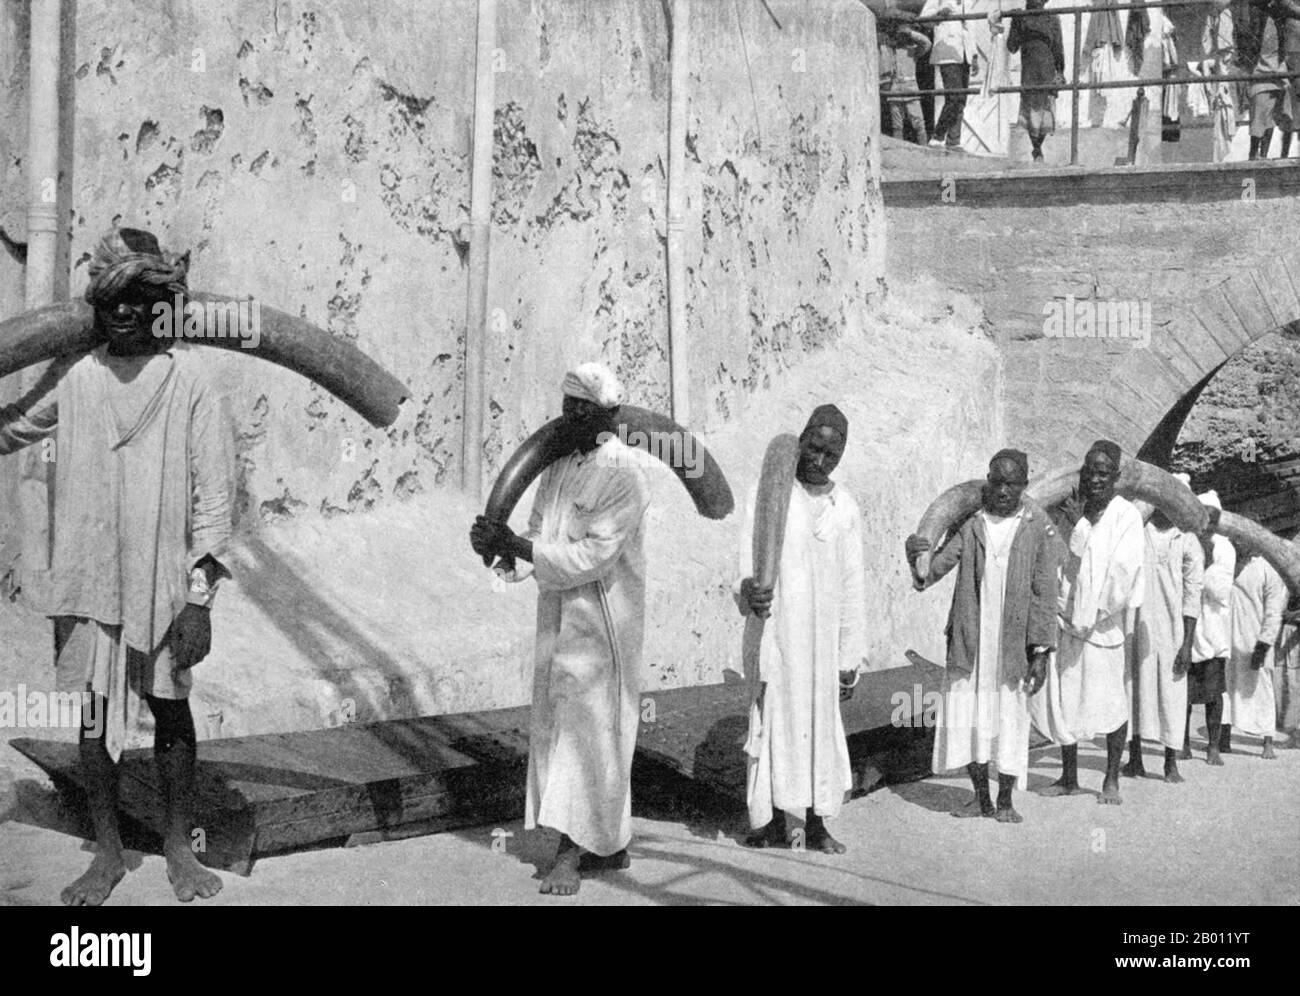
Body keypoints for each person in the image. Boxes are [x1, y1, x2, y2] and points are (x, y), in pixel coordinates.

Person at [0, 227, 233, 906]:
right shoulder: (78, 379)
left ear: (162, 302)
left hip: (164, 585)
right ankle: (105, 852)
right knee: (96, 717)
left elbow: (214, 502)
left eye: (140, 297)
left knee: (171, 710)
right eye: (111, 300)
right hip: (91, 577)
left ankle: (175, 848)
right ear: (95, 308)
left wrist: (198, 599)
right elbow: (11, 427)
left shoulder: (191, 382)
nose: (126, 312)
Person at [470, 363, 649, 896]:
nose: (569, 417)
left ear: (608, 416)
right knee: (565, 729)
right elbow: (537, 534)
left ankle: (569, 855)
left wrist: (522, 547)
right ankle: (609, 845)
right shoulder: (558, 467)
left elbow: (592, 557)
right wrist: (500, 551)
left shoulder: (625, 475)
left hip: (603, 628)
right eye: (567, 405)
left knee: (587, 733)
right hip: (557, 620)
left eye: (582, 409)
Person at [906, 448, 1061, 824]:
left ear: (1024, 485)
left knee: (1009, 719)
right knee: (970, 719)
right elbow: (936, 568)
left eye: (1012, 483)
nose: (1003, 491)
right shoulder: (972, 524)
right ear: (987, 482)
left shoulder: (1037, 526)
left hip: (1012, 647)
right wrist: (917, 557)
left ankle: (1005, 799)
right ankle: (980, 798)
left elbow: (1044, 591)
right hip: (971, 640)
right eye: (996, 481)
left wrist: (1040, 651)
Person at [737, 404, 866, 853]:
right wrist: (748, 588)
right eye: (814, 448)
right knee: (773, 722)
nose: (820, 460)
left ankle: (815, 823)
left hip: (821, 645)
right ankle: (769, 821)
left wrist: (849, 659)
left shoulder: (843, 506)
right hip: (778, 634)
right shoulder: (768, 492)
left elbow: (853, 586)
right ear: (801, 441)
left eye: (833, 454)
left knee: (818, 727)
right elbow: (747, 557)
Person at [1030, 440, 1144, 806]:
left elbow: (1123, 573)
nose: (1095, 479)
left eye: (1103, 473)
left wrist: (1092, 612)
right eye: (1089, 471)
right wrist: (1064, 608)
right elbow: (1059, 560)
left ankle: (1111, 778)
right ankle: (1068, 775)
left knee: (1111, 703)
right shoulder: (1069, 509)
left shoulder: (1125, 516)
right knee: (1067, 699)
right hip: (1068, 620)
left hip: (1102, 625)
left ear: (1116, 477)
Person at [1125, 480, 1203, 784]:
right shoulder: (1139, 529)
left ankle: (1170, 762)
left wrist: (1187, 643)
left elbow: (1192, 594)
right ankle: (1135, 758)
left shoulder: (1187, 540)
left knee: (1172, 691)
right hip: (1138, 623)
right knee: (1135, 689)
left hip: (1172, 628)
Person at [1183, 491, 1236, 764]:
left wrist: (1204, 560)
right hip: (1190, 631)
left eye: (1213, 520)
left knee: (1214, 694)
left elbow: (1220, 589)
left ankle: (1213, 746)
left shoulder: (1224, 547)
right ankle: (1182, 742)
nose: (1208, 524)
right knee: (1185, 693)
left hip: (1214, 632)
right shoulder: (1187, 540)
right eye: (1204, 518)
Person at [1222, 550, 1286, 757]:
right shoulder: (1225, 559)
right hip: (1226, 636)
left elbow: (1274, 611)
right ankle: (1223, 737)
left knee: (1262, 688)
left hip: (1254, 639)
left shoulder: (1268, 569)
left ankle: (1268, 741)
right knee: (1225, 687)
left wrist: (1264, 644)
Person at [1004, 0, 1066, 163]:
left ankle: (1038, 148)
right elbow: (1012, 46)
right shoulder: (1022, 17)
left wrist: (1060, 71)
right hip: (1029, 70)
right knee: (1031, 110)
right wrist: (1014, 22)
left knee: (1046, 109)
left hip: (1047, 69)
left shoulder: (1052, 18)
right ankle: (1036, 150)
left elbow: (1058, 47)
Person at [921, 0, 981, 150]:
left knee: (961, 100)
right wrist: (940, 15)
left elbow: (970, 28)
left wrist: (974, 56)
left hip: (965, 53)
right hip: (948, 53)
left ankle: (954, 141)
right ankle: (937, 136)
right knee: (953, 97)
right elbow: (924, 20)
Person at [881, 18, 933, 145]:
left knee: (919, 123)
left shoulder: (912, 50)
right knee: (897, 126)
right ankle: (898, 150)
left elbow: (927, 43)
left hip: (911, 91)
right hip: (894, 92)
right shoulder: (887, 50)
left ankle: (924, 149)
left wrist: (910, 33)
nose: (900, 38)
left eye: (902, 36)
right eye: (898, 35)